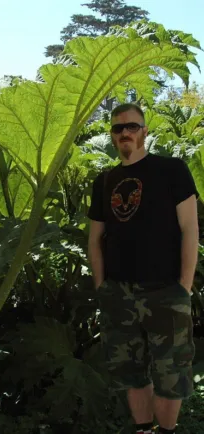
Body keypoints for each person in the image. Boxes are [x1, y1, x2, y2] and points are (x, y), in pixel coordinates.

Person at [87, 103, 199, 434]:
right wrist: (101, 286)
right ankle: (143, 429)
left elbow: (190, 228)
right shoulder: (104, 181)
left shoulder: (171, 170)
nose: (124, 133)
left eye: (132, 127)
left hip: (166, 290)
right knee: (130, 372)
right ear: (112, 135)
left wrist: (185, 285)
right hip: (118, 293)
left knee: (171, 374)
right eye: (118, 128)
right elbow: (95, 239)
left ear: (145, 131)